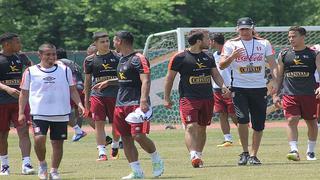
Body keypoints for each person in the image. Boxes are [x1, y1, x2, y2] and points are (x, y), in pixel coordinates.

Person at [95, 31, 164, 179]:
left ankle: (156, 160)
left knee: (138, 136)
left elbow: (146, 80)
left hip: (137, 104)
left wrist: (143, 100)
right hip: (121, 104)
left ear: (119, 41)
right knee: (125, 138)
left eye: (114, 41)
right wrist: (109, 82)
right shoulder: (121, 59)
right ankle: (136, 171)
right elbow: (124, 80)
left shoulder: (139, 58)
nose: (113, 44)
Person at [164, 29, 229, 168]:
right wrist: (166, 98)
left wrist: (223, 85)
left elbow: (215, 74)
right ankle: (193, 155)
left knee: (202, 128)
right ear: (199, 41)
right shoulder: (179, 57)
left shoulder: (208, 56)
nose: (209, 41)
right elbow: (169, 79)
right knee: (191, 126)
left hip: (207, 97)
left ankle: (198, 155)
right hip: (188, 98)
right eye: (206, 39)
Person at [18, 43, 85, 179]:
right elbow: (24, 93)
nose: (51, 57)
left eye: (53, 54)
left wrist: (80, 105)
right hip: (39, 113)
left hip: (60, 113)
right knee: (39, 139)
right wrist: (20, 113)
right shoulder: (30, 71)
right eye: (48, 54)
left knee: (57, 143)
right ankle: (42, 165)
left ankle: (54, 171)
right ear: (40, 55)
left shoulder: (65, 70)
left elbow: (72, 90)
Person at [219, 17, 278, 165]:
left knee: (258, 123)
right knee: (243, 119)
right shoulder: (231, 44)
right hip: (239, 88)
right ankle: (244, 152)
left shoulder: (264, 43)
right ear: (237, 29)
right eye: (241, 29)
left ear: (252, 28)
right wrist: (233, 56)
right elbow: (221, 65)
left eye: (247, 28)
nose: (244, 31)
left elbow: (273, 64)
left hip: (259, 88)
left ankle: (254, 155)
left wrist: (276, 81)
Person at [273, 26, 320, 161]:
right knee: (291, 120)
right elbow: (279, 77)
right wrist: (276, 94)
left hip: (309, 94)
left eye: (294, 36)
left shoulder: (313, 54)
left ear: (302, 37)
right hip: (290, 94)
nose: (291, 39)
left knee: (311, 122)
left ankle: (310, 151)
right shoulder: (284, 54)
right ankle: (294, 150)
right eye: (289, 36)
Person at [0, 32, 35, 175]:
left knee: (24, 131)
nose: (20, 45)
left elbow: (33, 70)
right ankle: (4, 166)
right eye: (17, 42)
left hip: (20, 102)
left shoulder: (21, 57)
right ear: (7, 44)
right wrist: (7, 88)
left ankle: (26, 164)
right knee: (2, 134)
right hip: (1, 102)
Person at [83, 32, 121, 161]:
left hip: (115, 95)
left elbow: (124, 77)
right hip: (97, 95)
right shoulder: (89, 60)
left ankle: (115, 145)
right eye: (102, 41)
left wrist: (110, 82)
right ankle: (101, 152)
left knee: (116, 124)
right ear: (96, 44)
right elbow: (87, 81)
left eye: (107, 41)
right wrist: (86, 100)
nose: (106, 43)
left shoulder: (118, 57)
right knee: (99, 123)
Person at [210, 33, 238, 147]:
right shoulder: (213, 55)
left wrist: (231, 87)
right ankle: (228, 139)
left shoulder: (230, 55)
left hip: (230, 89)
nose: (209, 43)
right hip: (217, 89)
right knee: (222, 113)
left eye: (210, 41)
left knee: (233, 113)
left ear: (213, 41)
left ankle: (244, 136)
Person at [56, 48, 87, 142]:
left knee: (61, 112)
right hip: (81, 87)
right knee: (80, 112)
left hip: (71, 88)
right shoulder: (73, 63)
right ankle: (78, 132)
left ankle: (78, 130)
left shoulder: (58, 63)